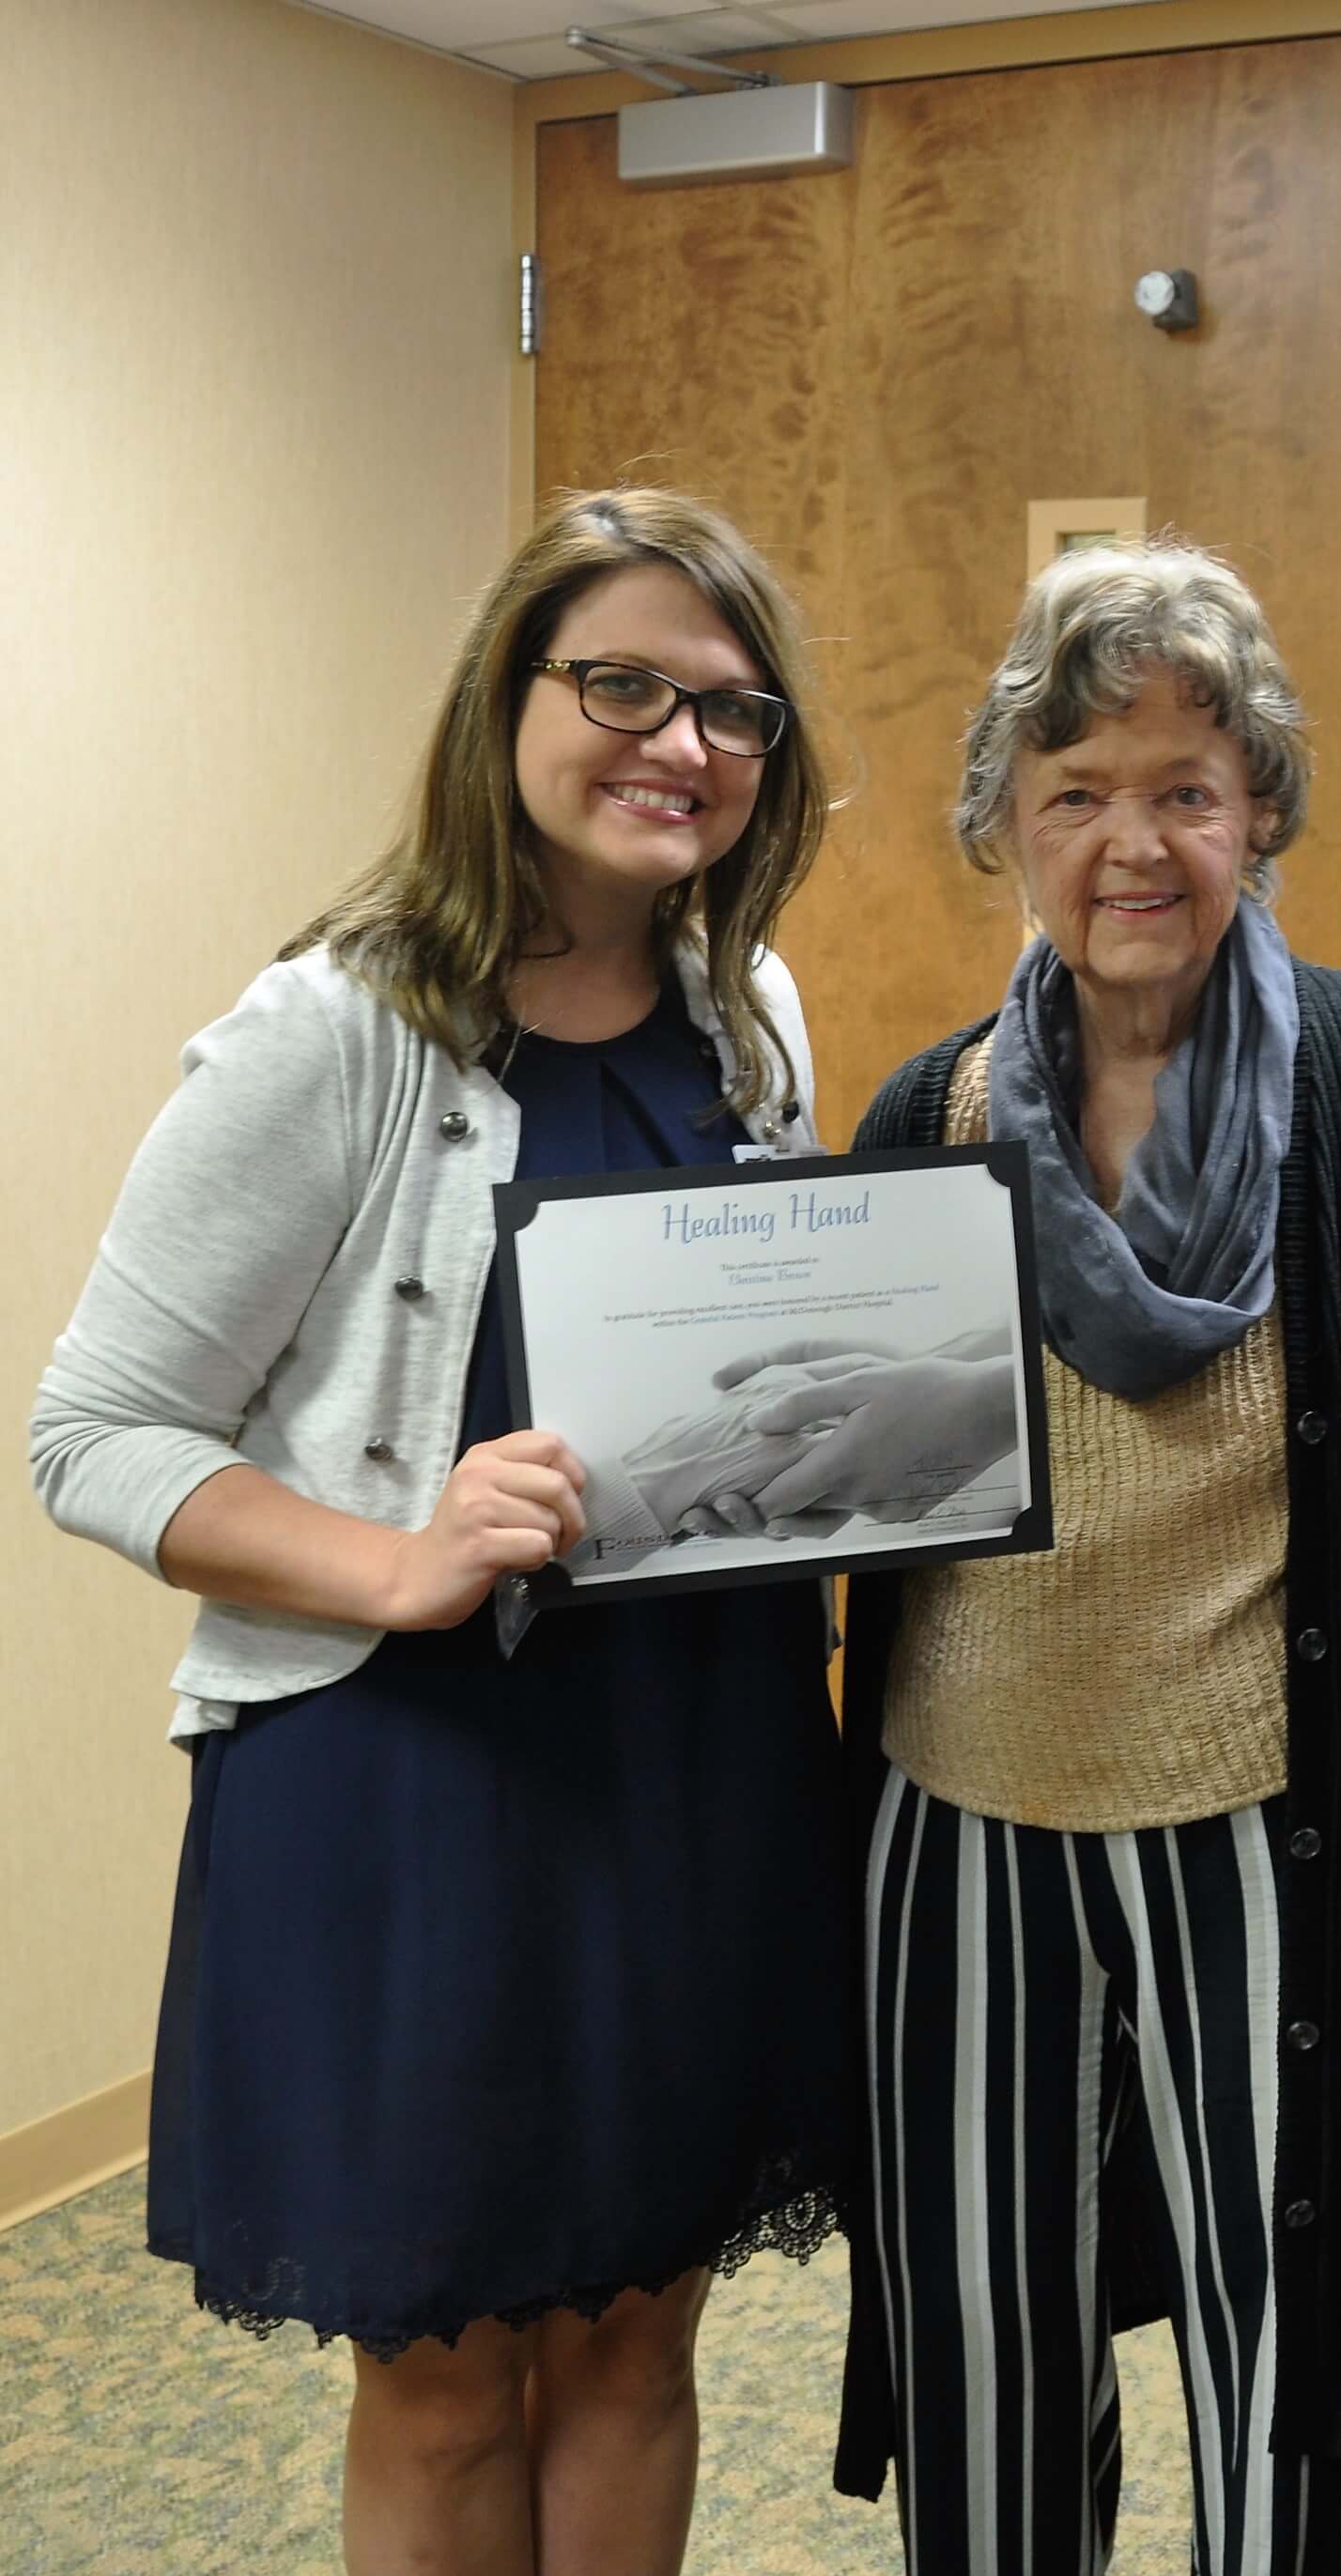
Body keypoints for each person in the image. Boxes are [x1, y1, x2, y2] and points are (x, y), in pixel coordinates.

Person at [32, 488, 855, 2576]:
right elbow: (96, 1434)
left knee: (635, 2334)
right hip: (416, 1787)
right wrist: (397, 1552)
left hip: (691, 1762)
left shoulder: (750, 1015)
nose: (678, 744)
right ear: (506, 698)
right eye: (624, 685)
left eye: (732, 712)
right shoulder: (334, 1032)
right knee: (447, 2365)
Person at [800, 540, 1341, 2576]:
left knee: (1290, 2366)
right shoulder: (922, 1116)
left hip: (1276, 1827)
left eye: (1182, 790)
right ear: (1004, 827)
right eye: (1073, 793)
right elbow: (830, 1469)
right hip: (957, 1834)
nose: (1129, 843)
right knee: (983, 2353)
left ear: (1257, 816)